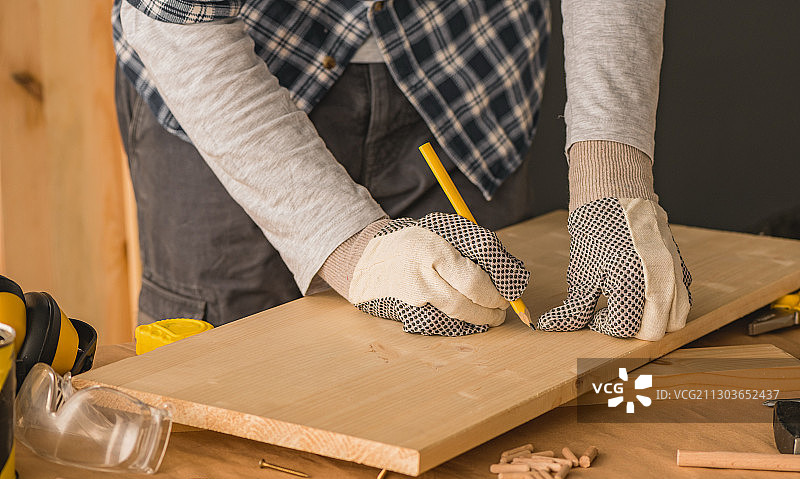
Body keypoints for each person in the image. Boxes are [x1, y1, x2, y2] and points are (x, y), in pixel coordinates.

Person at [112, 0, 691, 341]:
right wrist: (349, 249)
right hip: (231, 83)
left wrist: (612, 176)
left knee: (483, 366)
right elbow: (178, 23)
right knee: (223, 385)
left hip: (468, 70)